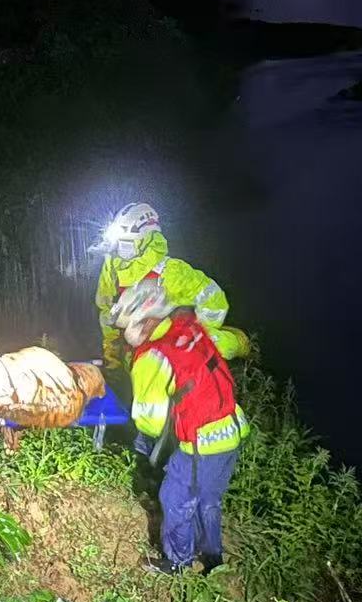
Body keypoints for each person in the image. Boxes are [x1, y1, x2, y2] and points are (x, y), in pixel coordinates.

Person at [112, 277, 247, 575]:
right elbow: (224, 347)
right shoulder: (189, 325)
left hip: (202, 441)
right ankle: (212, 559)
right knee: (208, 500)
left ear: (140, 322)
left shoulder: (150, 357)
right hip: (232, 428)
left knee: (176, 499)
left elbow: (149, 419)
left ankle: (178, 563)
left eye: (124, 329)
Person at [92, 201, 248, 369]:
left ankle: (239, 343)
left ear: (145, 240)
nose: (121, 251)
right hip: (138, 348)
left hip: (172, 342)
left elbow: (214, 300)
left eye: (126, 244)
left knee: (209, 345)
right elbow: (106, 309)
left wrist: (196, 332)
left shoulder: (171, 272)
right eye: (120, 243)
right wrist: (112, 350)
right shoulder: (112, 270)